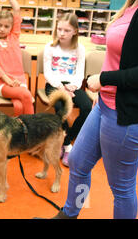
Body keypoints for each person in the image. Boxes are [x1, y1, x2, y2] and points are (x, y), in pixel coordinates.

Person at [45, 0, 138, 219]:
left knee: (122, 187)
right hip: (105, 105)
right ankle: (71, 214)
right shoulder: (134, 1)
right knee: (78, 162)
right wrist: (97, 88)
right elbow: (120, 57)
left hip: (127, 115)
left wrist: (101, 80)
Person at [43, 13, 92, 167]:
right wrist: (61, 88)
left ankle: (66, 139)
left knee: (87, 108)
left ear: (75, 32)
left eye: (66, 30)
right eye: (59, 29)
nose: (62, 33)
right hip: (54, 84)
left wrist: (74, 86)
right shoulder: (50, 47)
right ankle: (67, 147)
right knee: (61, 109)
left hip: (72, 84)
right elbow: (48, 73)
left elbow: (79, 72)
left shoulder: (80, 49)